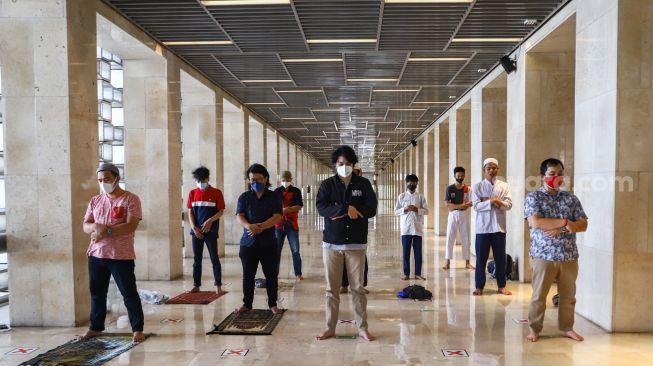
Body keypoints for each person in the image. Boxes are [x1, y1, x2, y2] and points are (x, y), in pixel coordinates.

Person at [316, 146, 377, 341]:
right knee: (331, 289)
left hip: (356, 244)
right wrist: (346, 208)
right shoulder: (327, 185)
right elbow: (321, 207)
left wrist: (354, 210)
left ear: (353, 165)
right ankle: (329, 327)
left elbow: (372, 208)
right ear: (335, 164)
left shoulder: (363, 184)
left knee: (357, 289)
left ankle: (362, 328)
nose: (344, 167)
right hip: (332, 244)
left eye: (348, 164)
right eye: (341, 164)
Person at [525, 158, 588, 342]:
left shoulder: (571, 198)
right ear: (542, 176)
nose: (557, 177)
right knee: (539, 296)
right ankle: (534, 329)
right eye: (552, 174)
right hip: (543, 255)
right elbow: (536, 222)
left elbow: (583, 224)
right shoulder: (533, 197)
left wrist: (563, 226)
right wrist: (567, 222)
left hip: (568, 255)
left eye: (560, 174)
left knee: (568, 297)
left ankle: (567, 328)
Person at [81, 163, 145, 343]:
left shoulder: (131, 199)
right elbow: (86, 225)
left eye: (107, 179)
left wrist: (104, 231)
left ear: (116, 178)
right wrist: (94, 227)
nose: (103, 183)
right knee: (97, 293)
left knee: (128, 292)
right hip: (96, 254)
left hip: (120, 255)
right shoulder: (95, 200)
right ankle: (95, 327)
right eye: (100, 180)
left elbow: (130, 225)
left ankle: (137, 329)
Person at [235, 163, 283, 314]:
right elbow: (239, 215)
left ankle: (272, 304)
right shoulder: (244, 197)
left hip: (268, 243)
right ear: (248, 180)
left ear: (266, 178)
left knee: (271, 275)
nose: (256, 183)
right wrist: (249, 226)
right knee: (248, 275)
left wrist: (260, 226)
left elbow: (277, 216)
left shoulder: (273, 196)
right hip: (248, 243)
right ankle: (247, 304)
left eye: (259, 179)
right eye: (252, 180)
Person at [472, 158, 513, 296]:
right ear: (484, 170)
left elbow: (509, 205)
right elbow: (476, 206)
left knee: (500, 258)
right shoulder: (477, 186)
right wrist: (494, 201)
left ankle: (501, 286)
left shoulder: (504, 186)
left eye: (494, 168)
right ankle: (479, 286)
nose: (491, 170)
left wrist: (490, 201)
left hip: (499, 228)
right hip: (482, 229)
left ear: (498, 169)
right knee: (481, 259)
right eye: (488, 168)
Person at [187, 166, 226, 295]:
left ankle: (218, 286)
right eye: (198, 181)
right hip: (196, 231)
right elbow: (190, 212)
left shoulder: (216, 193)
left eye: (203, 180)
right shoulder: (192, 193)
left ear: (208, 179)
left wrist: (210, 220)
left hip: (211, 231)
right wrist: (194, 227)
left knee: (214, 258)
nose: (200, 183)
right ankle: (196, 285)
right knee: (197, 260)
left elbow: (221, 211)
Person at [340, 167, 369, 294]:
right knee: (343, 260)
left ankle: (361, 285)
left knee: (361, 261)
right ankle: (344, 285)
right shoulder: (341, 188)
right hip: (343, 229)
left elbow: (370, 206)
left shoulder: (363, 186)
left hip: (359, 229)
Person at [394, 174, 429, 280]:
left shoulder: (420, 196)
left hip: (417, 229)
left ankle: (418, 273)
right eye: (409, 182)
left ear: (417, 184)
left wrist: (416, 209)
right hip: (405, 229)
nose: (411, 184)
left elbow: (426, 211)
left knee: (418, 253)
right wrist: (404, 209)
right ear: (406, 183)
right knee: (406, 253)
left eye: (414, 183)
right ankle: (406, 273)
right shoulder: (402, 196)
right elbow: (396, 211)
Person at [274, 171, 304, 280]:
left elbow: (299, 206)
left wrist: (287, 210)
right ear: (280, 180)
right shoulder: (276, 191)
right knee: (276, 251)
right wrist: (282, 211)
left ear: (291, 180)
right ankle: (274, 273)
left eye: (287, 180)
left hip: (292, 225)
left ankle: (298, 273)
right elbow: (273, 208)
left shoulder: (296, 191)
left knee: (295, 250)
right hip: (278, 225)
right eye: (283, 180)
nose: (285, 182)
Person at [443, 167, 474, 270]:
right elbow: (447, 204)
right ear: (454, 176)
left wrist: (457, 205)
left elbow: (470, 203)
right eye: (458, 176)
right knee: (450, 237)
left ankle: (467, 262)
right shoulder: (450, 188)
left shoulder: (468, 189)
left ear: (464, 175)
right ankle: (447, 262)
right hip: (452, 214)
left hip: (464, 214)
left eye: (461, 176)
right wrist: (460, 205)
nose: (460, 177)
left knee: (466, 238)